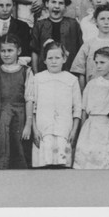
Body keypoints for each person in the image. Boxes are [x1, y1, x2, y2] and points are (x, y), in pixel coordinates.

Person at [32, 41, 81, 169]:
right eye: (50, 58)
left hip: (65, 129)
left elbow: (77, 109)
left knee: (62, 165)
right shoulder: (37, 79)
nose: (54, 61)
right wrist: (34, 129)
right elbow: (32, 107)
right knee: (44, 165)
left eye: (57, 58)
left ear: (64, 59)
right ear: (44, 60)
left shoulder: (71, 80)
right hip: (43, 129)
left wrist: (74, 131)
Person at [73, 47, 109, 169]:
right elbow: (84, 110)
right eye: (96, 63)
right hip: (91, 128)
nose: (98, 66)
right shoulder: (92, 84)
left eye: (102, 62)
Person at [0, 34, 34, 169]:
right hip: (1, 117)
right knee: (2, 151)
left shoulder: (26, 71)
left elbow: (29, 99)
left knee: (20, 152)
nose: (6, 54)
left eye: (10, 50)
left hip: (20, 117)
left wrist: (28, 124)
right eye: (3, 51)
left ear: (19, 51)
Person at [30, 0, 82, 73]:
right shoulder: (39, 25)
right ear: (46, 4)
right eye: (53, 2)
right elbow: (35, 51)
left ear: (65, 6)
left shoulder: (73, 24)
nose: (57, 6)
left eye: (61, 3)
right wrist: (35, 74)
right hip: (44, 72)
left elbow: (79, 50)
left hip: (68, 72)